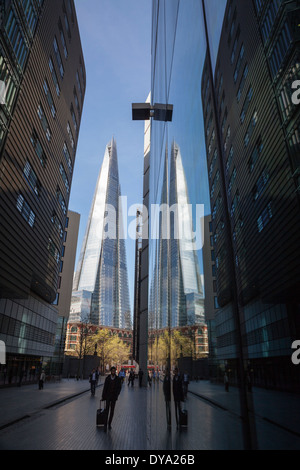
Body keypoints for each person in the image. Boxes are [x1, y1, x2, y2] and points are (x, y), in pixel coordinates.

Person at [101, 366, 122, 431]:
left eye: (114, 371)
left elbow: (119, 387)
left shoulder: (118, 379)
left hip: (113, 397)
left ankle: (109, 423)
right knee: (107, 410)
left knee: (112, 411)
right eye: (112, 371)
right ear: (111, 371)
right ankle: (105, 425)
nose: (113, 372)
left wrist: (117, 394)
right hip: (108, 396)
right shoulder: (107, 379)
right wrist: (103, 396)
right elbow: (105, 388)